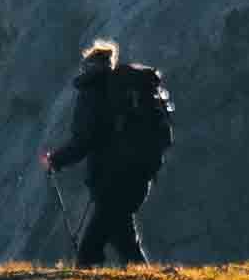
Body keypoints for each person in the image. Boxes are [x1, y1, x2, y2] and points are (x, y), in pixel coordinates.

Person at [42, 35, 177, 266]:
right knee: (124, 240)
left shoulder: (93, 92)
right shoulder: (124, 93)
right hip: (138, 177)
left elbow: (84, 139)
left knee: (90, 250)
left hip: (111, 181)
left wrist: (56, 160)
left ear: (88, 64)